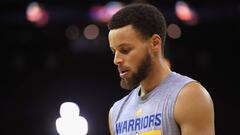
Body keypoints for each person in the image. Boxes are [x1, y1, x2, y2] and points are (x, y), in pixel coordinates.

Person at [107, 3, 215, 135]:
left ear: (155, 43)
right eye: (114, 51)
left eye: (125, 50)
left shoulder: (189, 96)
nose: (116, 60)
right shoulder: (116, 111)